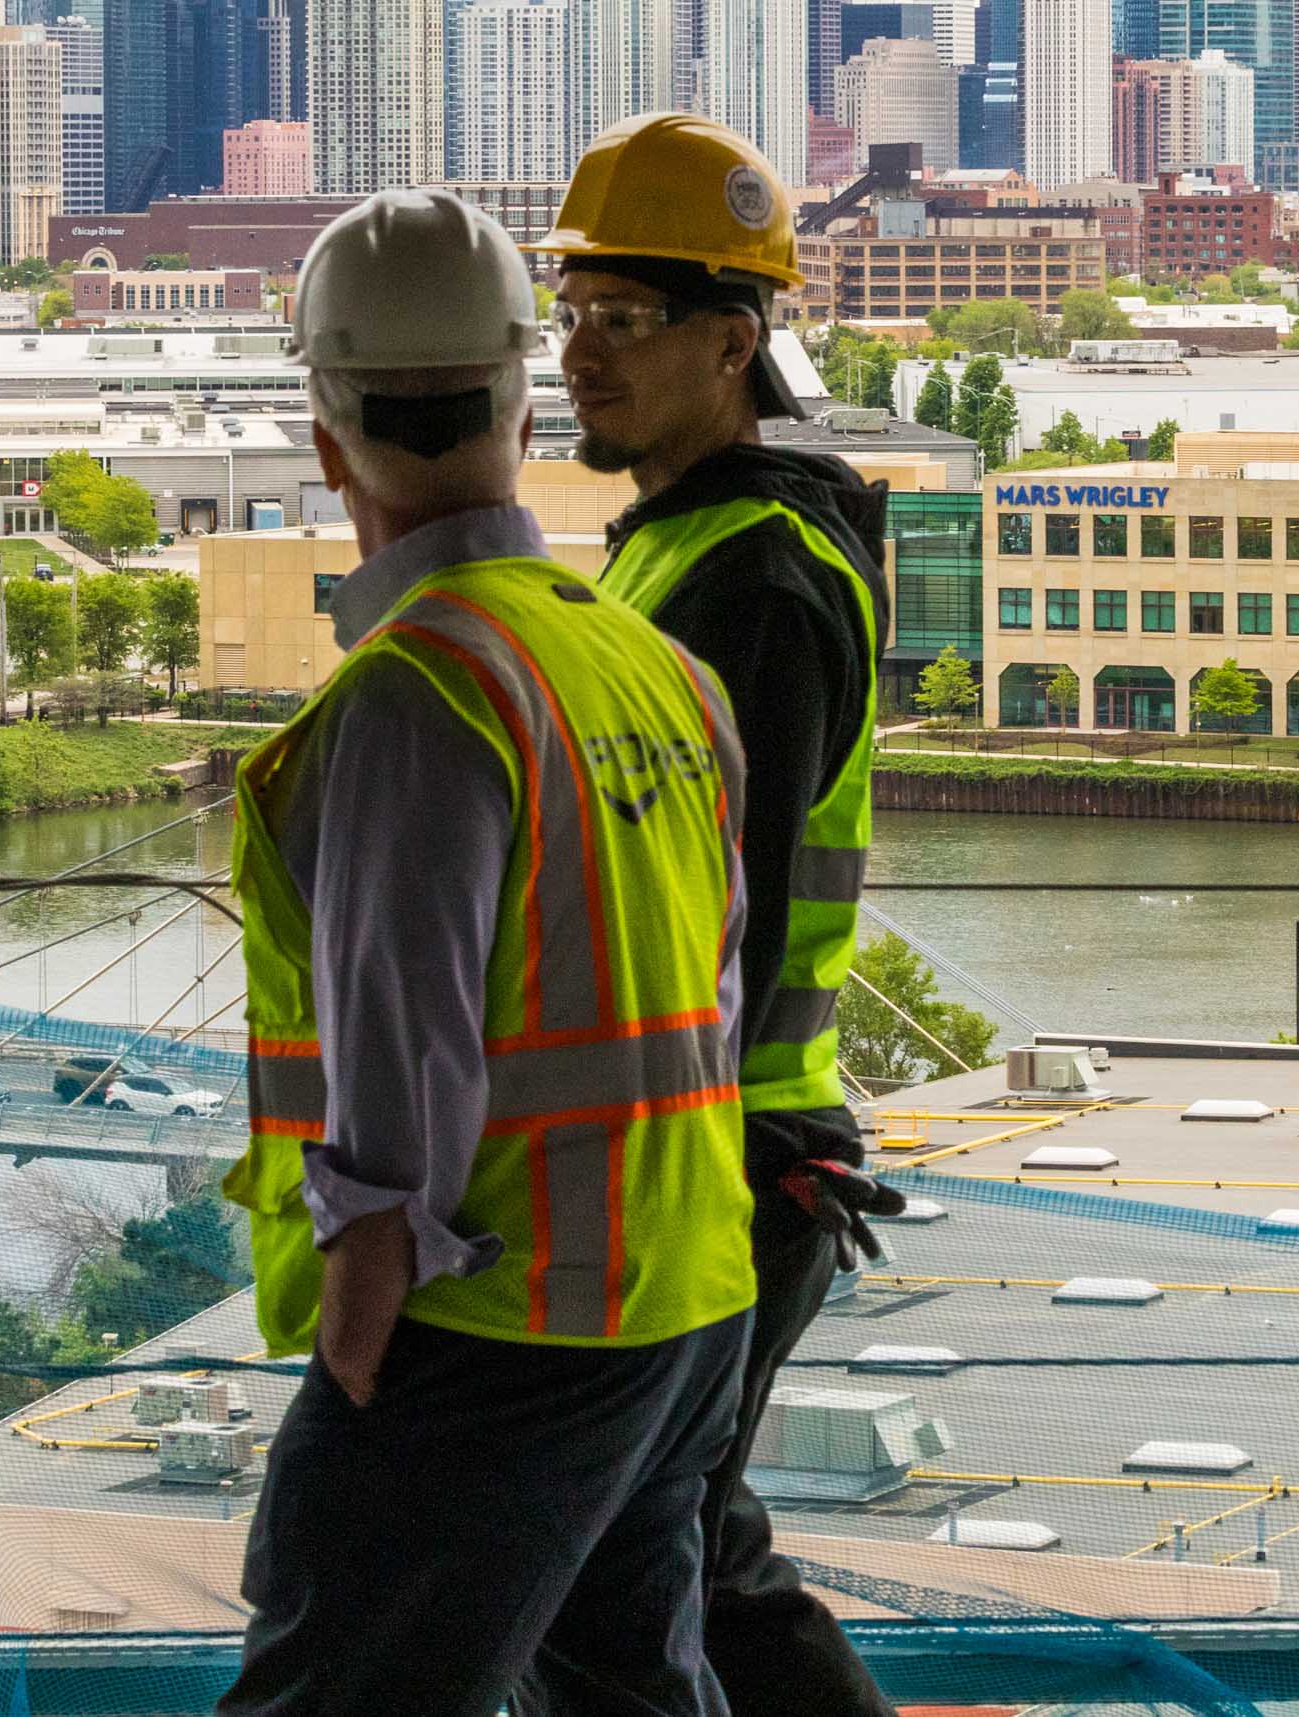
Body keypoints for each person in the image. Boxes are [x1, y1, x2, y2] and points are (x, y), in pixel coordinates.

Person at [219, 188, 758, 1717]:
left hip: (495, 1324)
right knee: (629, 1692)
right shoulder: (656, 669)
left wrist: (360, 1333)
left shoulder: (419, 693)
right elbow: (707, 986)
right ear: (521, 405)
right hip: (677, 1296)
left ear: (328, 442)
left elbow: (408, 1053)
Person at [541, 113, 900, 1717]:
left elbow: (713, 910)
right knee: (662, 1527)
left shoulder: (753, 575)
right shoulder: (678, 545)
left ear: (733, 341)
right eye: (570, 313)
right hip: (701, 1131)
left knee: (645, 1528)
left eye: (622, 320)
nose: (578, 353)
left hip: (725, 1141)